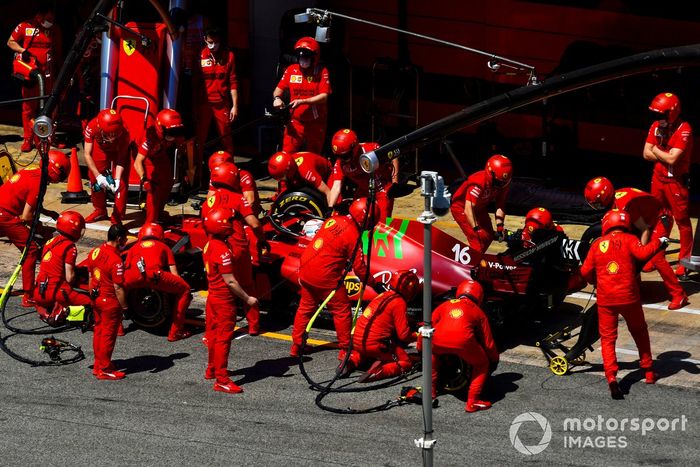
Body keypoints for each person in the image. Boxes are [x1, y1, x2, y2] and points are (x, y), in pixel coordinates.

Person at [579, 209, 668, 399]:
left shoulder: (597, 245)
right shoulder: (629, 239)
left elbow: (585, 272)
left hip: (606, 300)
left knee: (608, 339)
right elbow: (643, 253)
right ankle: (649, 372)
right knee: (639, 331)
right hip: (629, 297)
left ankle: (611, 378)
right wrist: (659, 243)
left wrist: (596, 281)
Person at [292, 198, 380, 359]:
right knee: (341, 311)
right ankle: (346, 349)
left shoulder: (333, 219)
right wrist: (375, 284)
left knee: (305, 308)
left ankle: (297, 345)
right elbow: (360, 268)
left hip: (305, 269)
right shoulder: (353, 235)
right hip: (324, 276)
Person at [584, 177, 688, 310]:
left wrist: (640, 254)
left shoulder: (626, 205)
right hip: (644, 221)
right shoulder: (615, 203)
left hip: (660, 220)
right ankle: (635, 288)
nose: (596, 207)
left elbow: (645, 230)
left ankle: (679, 295)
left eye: (597, 203)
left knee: (656, 257)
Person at [202, 162, 269, 334]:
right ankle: (254, 326)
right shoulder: (238, 198)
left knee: (216, 292)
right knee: (247, 285)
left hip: (215, 249)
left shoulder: (208, 201)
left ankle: (212, 331)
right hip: (238, 248)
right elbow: (254, 223)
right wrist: (262, 239)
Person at [0, 149, 69, 307]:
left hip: (3, 210)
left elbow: (29, 200)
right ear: (55, 170)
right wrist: (39, 228)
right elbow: (26, 217)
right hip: (5, 216)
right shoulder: (39, 183)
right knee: (30, 249)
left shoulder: (34, 171)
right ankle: (28, 295)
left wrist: (46, 212)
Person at [202, 206, 259, 394]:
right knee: (223, 339)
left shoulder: (209, 244)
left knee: (212, 335)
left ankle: (211, 369)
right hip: (224, 301)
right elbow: (231, 282)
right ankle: (222, 379)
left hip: (212, 298)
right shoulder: (223, 251)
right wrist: (248, 298)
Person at [643, 92, 693, 278]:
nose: (657, 117)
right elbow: (644, 154)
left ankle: (684, 261)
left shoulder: (685, 128)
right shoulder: (656, 125)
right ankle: (656, 256)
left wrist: (656, 149)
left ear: (671, 112)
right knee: (659, 217)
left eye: (660, 113)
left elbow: (673, 157)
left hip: (676, 182)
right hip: (658, 180)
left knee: (682, 221)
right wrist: (662, 153)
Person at [429, 279, 499, 412]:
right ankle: (472, 402)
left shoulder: (445, 304)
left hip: (438, 341)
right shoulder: (478, 312)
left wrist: (421, 348)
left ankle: (430, 392)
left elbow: (427, 326)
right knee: (482, 364)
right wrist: (494, 359)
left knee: (433, 356)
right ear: (479, 296)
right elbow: (488, 343)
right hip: (464, 344)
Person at [345, 270, 420, 382]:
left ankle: (352, 361)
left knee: (365, 353)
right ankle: (379, 372)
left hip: (357, 341)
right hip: (376, 345)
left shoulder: (383, 295)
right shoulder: (399, 302)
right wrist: (418, 335)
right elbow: (404, 335)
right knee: (406, 362)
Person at [7, 0, 62, 152]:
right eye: (48, 19)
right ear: (39, 16)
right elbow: (10, 42)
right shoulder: (25, 26)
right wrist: (22, 50)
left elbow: (58, 54)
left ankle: (50, 137)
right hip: (31, 76)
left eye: (52, 19)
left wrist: (61, 74)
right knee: (28, 108)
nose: (50, 22)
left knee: (51, 108)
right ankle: (28, 139)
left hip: (49, 76)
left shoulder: (55, 29)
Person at [124, 223, 193, 342]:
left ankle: (119, 328)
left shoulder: (133, 248)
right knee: (185, 289)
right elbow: (174, 273)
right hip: (155, 275)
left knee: (116, 289)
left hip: (133, 277)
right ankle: (175, 332)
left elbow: (126, 269)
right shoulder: (164, 246)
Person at [86, 224, 129, 380]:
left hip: (96, 298)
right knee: (108, 336)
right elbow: (118, 287)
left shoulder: (95, 251)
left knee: (99, 332)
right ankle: (104, 368)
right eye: (124, 238)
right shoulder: (116, 260)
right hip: (110, 301)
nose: (125, 240)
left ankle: (98, 364)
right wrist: (125, 307)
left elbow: (90, 277)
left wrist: (92, 297)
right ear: (119, 239)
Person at [272, 37, 331, 154]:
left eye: (306, 57)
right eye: (301, 56)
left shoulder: (321, 71)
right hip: (295, 121)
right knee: (286, 154)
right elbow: (277, 91)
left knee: (314, 155)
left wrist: (302, 101)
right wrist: (277, 99)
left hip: (316, 122)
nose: (303, 60)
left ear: (315, 57)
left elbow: (324, 97)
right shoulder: (291, 70)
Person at [33, 211, 90, 325]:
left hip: (39, 290)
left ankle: (48, 308)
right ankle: (61, 311)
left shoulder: (50, 242)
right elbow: (69, 278)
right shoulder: (70, 247)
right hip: (56, 291)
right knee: (92, 303)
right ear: (74, 229)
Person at [328, 129, 398, 220]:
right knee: (354, 218)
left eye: (345, 156)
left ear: (354, 148)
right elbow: (336, 186)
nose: (341, 159)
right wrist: (330, 208)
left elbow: (393, 155)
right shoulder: (340, 164)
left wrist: (395, 182)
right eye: (338, 156)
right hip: (363, 190)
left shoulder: (371, 150)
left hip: (383, 189)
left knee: (381, 224)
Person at [451, 154, 513, 255]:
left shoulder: (503, 184)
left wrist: (500, 227)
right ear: (490, 173)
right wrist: (476, 229)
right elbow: (468, 209)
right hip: (461, 208)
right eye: (498, 182)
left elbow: (500, 204)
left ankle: (478, 258)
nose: (500, 186)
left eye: (502, 183)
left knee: (488, 236)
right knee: (478, 239)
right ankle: (473, 265)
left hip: (479, 207)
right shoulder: (478, 182)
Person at [134, 109, 185, 225]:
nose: (174, 135)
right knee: (153, 188)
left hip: (160, 154)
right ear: (160, 128)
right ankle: (150, 222)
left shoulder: (174, 132)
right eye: (172, 132)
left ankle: (159, 212)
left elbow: (183, 147)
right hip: (145, 156)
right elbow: (138, 162)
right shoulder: (149, 138)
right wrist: (144, 179)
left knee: (168, 182)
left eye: (176, 131)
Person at [83, 109, 132, 224]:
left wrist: (118, 179)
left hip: (118, 150)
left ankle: (118, 215)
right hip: (101, 149)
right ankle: (100, 210)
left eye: (114, 134)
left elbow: (121, 158)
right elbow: (87, 154)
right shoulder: (91, 126)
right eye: (108, 134)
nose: (112, 138)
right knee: (95, 179)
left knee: (122, 183)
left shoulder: (125, 132)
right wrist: (98, 176)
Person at [194, 27, 238, 155]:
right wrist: (194, 108)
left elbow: (233, 82)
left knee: (226, 137)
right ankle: (197, 171)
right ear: (205, 40)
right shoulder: (200, 56)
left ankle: (230, 167)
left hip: (221, 103)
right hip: (204, 104)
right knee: (200, 138)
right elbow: (194, 85)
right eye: (210, 42)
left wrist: (235, 106)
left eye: (216, 42)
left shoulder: (229, 56)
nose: (213, 45)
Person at [206, 151, 261, 216]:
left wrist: (234, 216)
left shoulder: (244, 176)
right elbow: (210, 199)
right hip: (224, 211)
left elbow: (250, 201)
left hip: (244, 214)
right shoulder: (216, 176)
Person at [267, 150, 332, 204]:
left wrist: (330, 211)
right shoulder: (288, 164)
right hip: (299, 173)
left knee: (335, 199)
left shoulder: (307, 172)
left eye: (281, 178)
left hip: (327, 173)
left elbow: (328, 192)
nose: (280, 181)